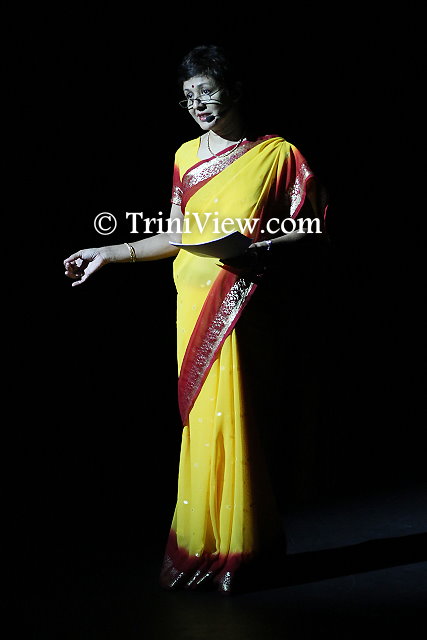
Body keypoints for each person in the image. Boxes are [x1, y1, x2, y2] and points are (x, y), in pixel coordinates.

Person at [64, 44, 329, 594]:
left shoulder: (278, 154)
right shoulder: (186, 155)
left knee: (235, 419)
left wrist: (263, 247)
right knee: (203, 422)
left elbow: (311, 227)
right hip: (189, 300)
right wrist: (109, 252)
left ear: (235, 90)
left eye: (208, 92)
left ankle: (243, 548)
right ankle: (202, 543)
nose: (198, 105)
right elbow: (177, 234)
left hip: (239, 301)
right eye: (189, 96)